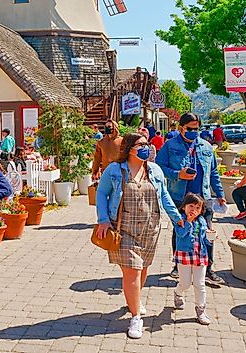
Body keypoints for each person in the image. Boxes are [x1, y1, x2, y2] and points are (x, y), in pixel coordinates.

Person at [94, 132, 181, 340]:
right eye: (141, 144)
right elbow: (101, 193)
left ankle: (134, 299)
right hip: (124, 229)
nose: (146, 147)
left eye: (147, 144)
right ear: (129, 148)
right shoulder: (115, 170)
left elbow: (165, 196)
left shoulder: (155, 170)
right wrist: (103, 219)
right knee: (132, 271)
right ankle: (135, 317)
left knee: (143, 270)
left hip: (151, 229)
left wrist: (178, 218)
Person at [155, 113, 225, 286]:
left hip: (204, 198)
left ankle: (208, 269)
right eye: (190, 129)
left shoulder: (207, 146)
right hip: (180, 198)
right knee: (180, 231)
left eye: (196, 128)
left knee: (207, 233)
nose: (194, 132)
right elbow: (159, 167)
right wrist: (177, 174)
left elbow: (214, 172)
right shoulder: (170, 145)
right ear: (181, 128)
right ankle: (179, 266)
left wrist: (220, 194)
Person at [171, 193, 215, 325]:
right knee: (185, 283)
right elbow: (180, 233)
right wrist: (188, 222)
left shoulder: (202, 221)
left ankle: (201, 309)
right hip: (184, 254)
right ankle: (178, 293)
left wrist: (210, 236)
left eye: (198, 207)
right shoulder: (180, 220)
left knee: (199, 284)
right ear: (184, 207)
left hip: (200, 255)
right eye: (191, 206)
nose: (194, 210)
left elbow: (204, 237)